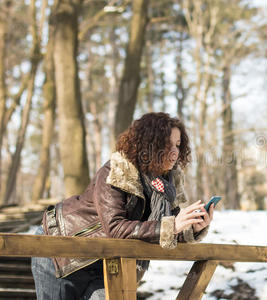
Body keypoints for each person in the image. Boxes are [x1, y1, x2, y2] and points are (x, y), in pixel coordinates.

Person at [31, 112, 214, 299]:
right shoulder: (116, 172)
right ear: (149, 145)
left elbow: (164, 231)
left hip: (108, 261)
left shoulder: (166, 186)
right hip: (63, 253)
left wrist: (192, 228)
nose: (175, 152)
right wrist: (172, 226)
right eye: (167, 145)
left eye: (177, 144)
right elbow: (116, 227)